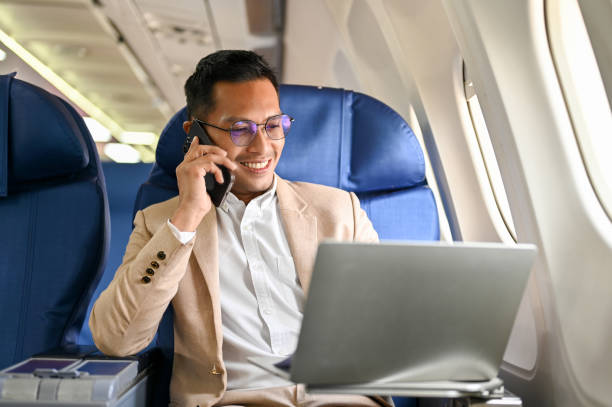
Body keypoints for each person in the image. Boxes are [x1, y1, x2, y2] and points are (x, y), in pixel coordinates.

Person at [90, 50, 388, 407]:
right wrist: (187, 219)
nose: (263, 146)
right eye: (240, 129)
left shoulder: (341, 211)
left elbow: (389, 324)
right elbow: (116, 340)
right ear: (195, 135)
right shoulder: (161, 224)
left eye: (273, 125)